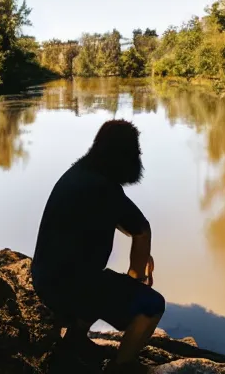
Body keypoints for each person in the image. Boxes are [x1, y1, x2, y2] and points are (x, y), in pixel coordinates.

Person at [31, 120, 165, 373]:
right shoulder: (105, 188)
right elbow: (141, 228)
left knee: (96, 279)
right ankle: (121, 366)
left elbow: (123, 223)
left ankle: (75, 339)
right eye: (136, 152)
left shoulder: (77, 174)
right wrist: (136, 278)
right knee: (152, 305)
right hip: (68, 289)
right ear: (126, 155)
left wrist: (139, 251)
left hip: (44, 279)